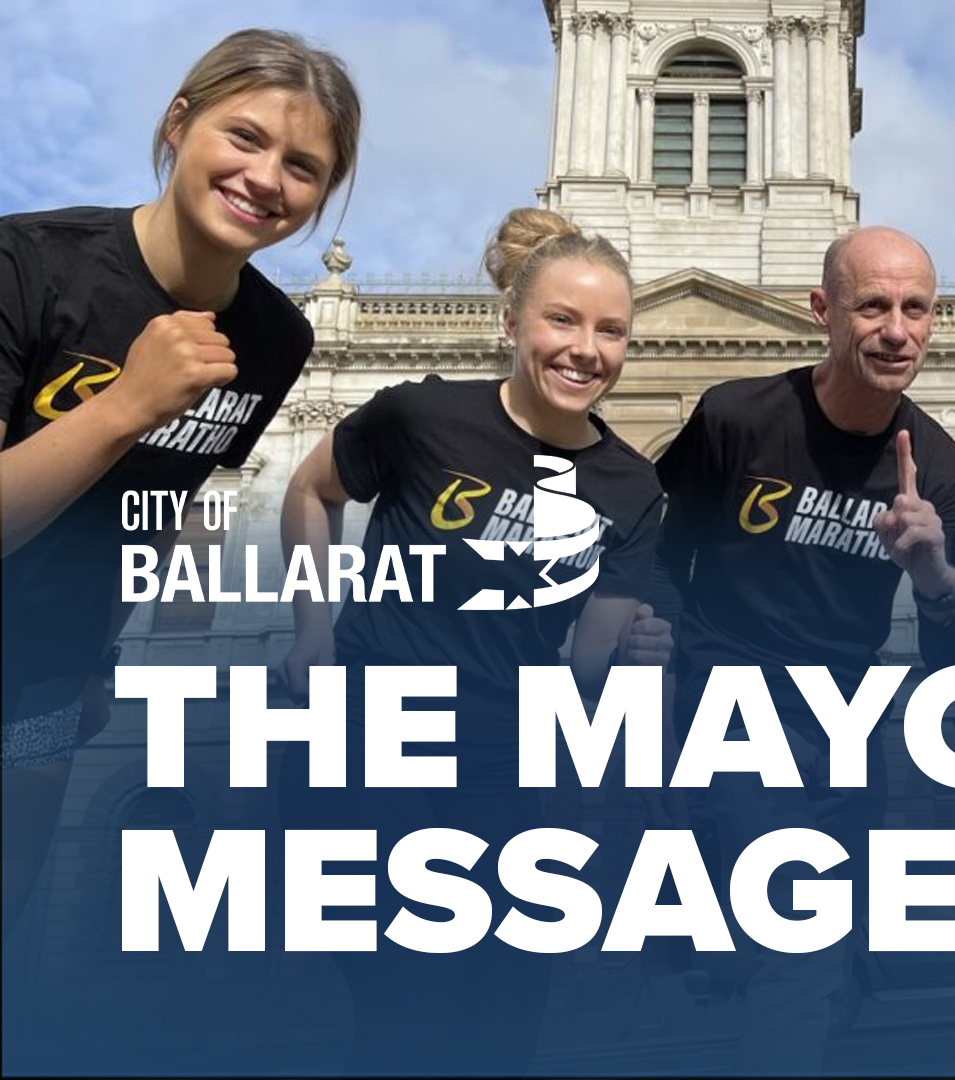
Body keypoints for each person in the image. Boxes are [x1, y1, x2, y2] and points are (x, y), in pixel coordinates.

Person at [276, 207, 671, 1074]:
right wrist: (312, 630)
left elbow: (583, 669)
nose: (586, 348)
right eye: (562, 319)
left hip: (499, 758)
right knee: (406, 1000)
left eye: (611, 330)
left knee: (508, 1006)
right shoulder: (423, 416)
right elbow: (311, 491)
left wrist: (637, 661)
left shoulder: (631, 487)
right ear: (511, 322)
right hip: (369, 735)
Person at [0, 28, 361, 940]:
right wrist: (126, 404)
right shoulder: (28, 265)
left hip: (44, 678)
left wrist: (100, 652)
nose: (266, 178)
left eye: (304, 166)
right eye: (244, 137)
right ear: (178, 123)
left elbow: (163, 509)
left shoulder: (276, 342)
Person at [652, 224, 955, 1070]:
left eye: (915, 309)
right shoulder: (737, 417)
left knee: (832, 951)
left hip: (845, 717)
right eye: (872, 306)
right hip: (729, 692)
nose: (896, 330)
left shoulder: (940, 470)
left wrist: (936, 574)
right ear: (822, 310)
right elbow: (658, 553)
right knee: (799, 929)